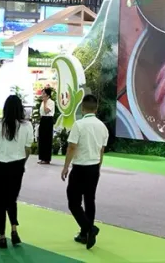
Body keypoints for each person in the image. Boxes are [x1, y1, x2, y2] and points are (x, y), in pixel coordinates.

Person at [62, 93, 109, 249]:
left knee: (73, 202)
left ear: (82, 108)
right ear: (96, 108)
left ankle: (89, 229)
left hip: (80, 167)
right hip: (94, 167)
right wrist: (98, 167)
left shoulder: (79, 125)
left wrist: (65, 166)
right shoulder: (102, 127)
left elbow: (72, 147)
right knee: (89, 200)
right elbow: (101, 150)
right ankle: (85, 234)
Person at [0, 94, 34, 248]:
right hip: (17, 165)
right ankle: (14, 229)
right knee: (11, 199)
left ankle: (1, 236)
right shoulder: (27, 126)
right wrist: (22, 162)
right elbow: (28, 148)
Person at [38, 87, 56, 164]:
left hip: (48, 120)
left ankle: (47, 158)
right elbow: (41, 112)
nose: (42, 95)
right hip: (43, 119)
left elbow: (46, 111)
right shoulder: (42, 102)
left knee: (47, 139)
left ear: (48, 95)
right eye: (42, 93)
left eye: (44, 93)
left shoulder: (51, 102)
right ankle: (42, 158)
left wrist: (45, 102)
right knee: (42, 138)